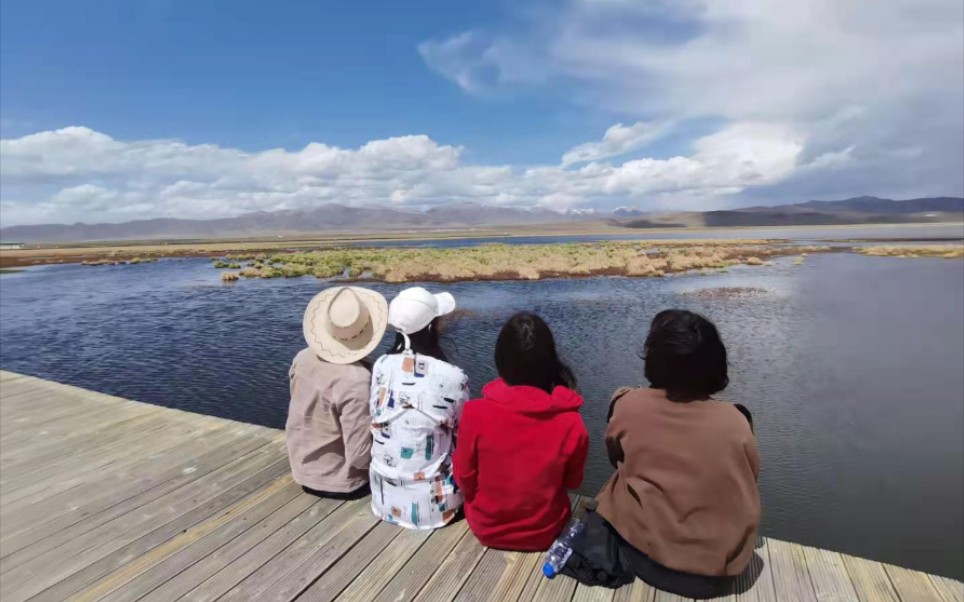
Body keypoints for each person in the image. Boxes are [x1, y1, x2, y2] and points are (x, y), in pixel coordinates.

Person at [563, 309, 760, 599]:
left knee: (619, 482)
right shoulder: (736, 421)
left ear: (654, 359)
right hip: (719, 573)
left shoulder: (627, 404)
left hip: (646, 560)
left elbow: (614, 457)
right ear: (715, 364)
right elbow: (751, 477)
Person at [454, 312, 589, 551]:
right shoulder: (572, 422)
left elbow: (464, 477)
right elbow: (573, 482)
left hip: (486, 527)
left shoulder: (474, 412)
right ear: (551, 362)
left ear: (500, 361)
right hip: (546, 530)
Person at [369, 286, 470, 529]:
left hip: (383, 499)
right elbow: (463, 434)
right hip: (438, 508)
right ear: (430, 327)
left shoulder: (381, 366)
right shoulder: (454, 377)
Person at [286, 286, 388, 499]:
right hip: (343, 483)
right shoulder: (355, 379)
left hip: (302, 470)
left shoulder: (302, 358)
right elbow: (360, 456)